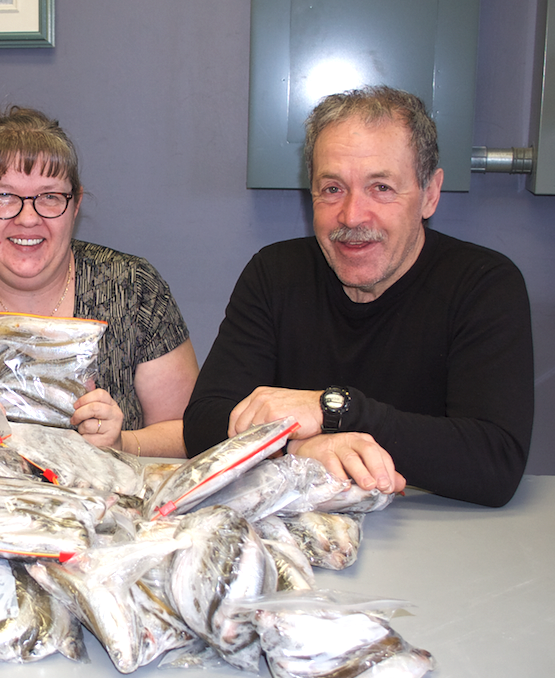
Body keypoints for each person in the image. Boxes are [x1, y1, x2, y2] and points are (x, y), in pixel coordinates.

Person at [183, 85, 533, 508]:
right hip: (297, 533)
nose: (352, 216)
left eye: (381, 187)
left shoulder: (483, 284)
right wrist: (296, 452)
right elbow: (203, 423)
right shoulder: (275, 273)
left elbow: (494, 463)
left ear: (430, 194)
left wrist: (335, 411)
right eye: (332, 188)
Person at [0, 106, 199, 458]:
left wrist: (123, 443)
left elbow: (190, 433)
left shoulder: (133, 290)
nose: (28, 218)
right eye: (4, 197)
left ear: (75, 206)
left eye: (49, 197)